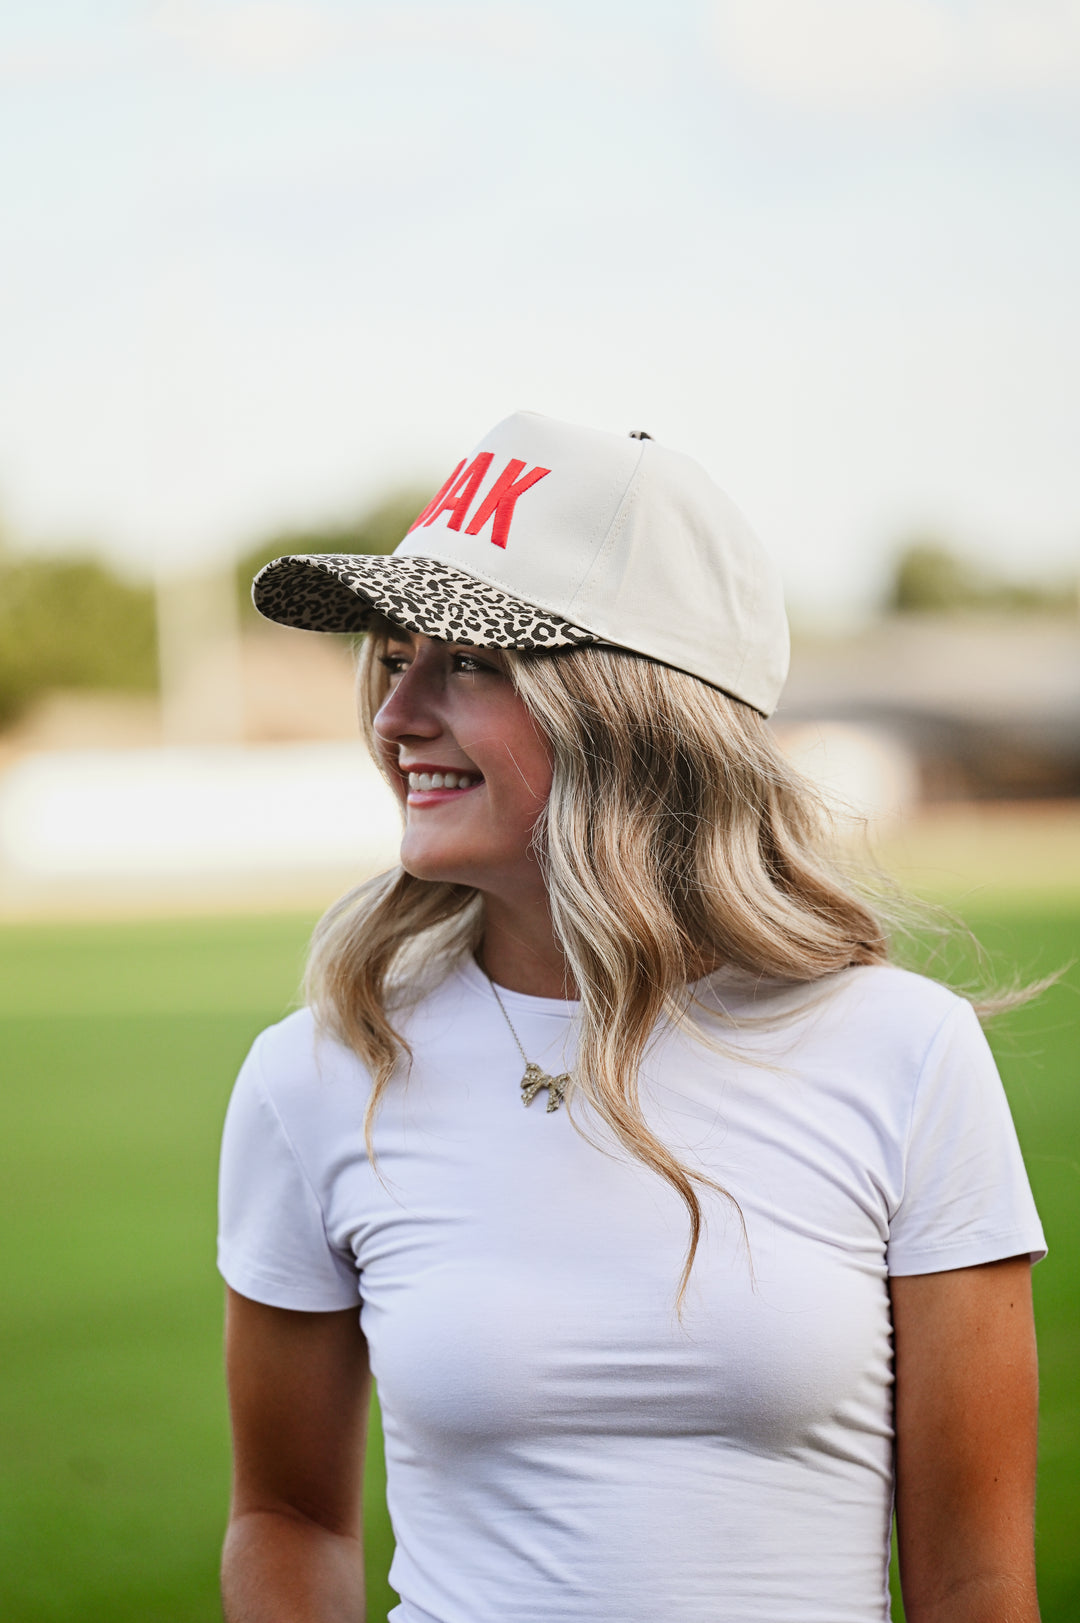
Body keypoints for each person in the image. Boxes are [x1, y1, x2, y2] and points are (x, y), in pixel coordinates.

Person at [217, 411, 1046, 1623]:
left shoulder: (904, 1053)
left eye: (474, 664)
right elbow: (285, 1518)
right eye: (395, 659)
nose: (397, 719)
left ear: (636, 715)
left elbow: (976, 1579)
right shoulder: (321, 1072)